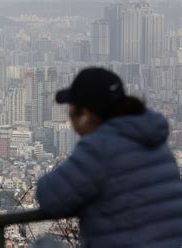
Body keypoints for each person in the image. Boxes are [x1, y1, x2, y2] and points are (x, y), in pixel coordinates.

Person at [36, 67, 182, 248]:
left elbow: (49, 196)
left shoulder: (100, 147)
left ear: (86, 116)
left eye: (71, 110)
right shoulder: (157, 144)